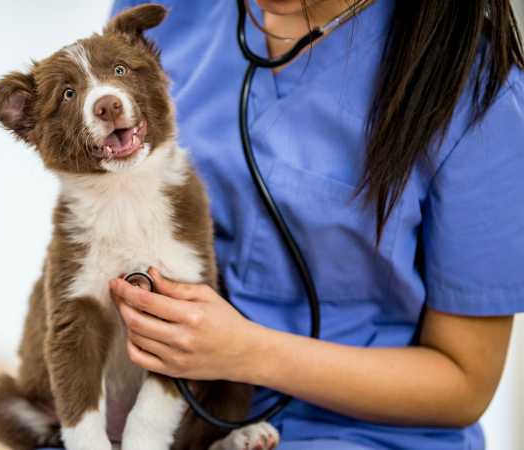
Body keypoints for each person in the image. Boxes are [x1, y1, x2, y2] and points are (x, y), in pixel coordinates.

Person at [45, 1, 524, 449]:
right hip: (167, 410)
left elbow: (464, 381)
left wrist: (245, 352)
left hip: (361, 432)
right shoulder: (168, 14)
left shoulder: (475, 92)